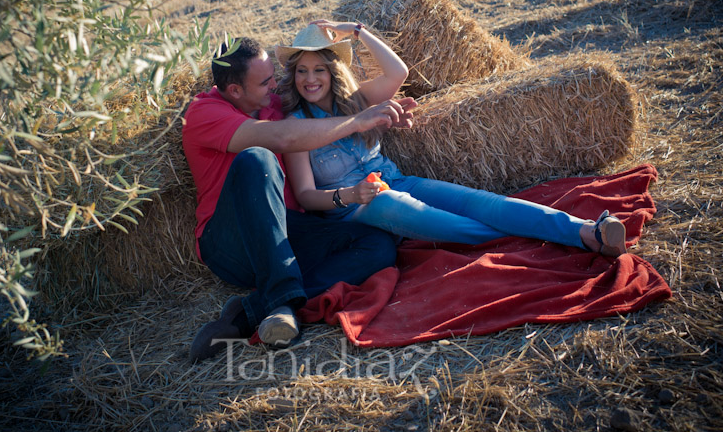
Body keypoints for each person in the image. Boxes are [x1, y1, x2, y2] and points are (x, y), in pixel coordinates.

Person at [276, 20, 628, 256]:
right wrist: (352, 194)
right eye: (303, 71)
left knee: (483, 203)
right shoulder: (295, 125)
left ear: (333, 70)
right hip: (358, 207)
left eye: (319, 69)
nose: (310, 79)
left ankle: (584, 229)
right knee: (444, 222)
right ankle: (558, 237)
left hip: (396, 180)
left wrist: (355, 30)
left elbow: (399, 71)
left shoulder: (356, 101)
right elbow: (307, 196)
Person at [181, 36, 417, 362]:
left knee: (378, 246)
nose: (275, 85)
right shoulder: (204, 113)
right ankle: (279, 300)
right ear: (235, 90)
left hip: (287, 231)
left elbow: (341, 101)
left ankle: (252, 311)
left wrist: (385, 116)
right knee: (257, 160)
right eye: (265, 81)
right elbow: (284, 137)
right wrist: (357, 122)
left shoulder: (273, 104)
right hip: (230, 242)